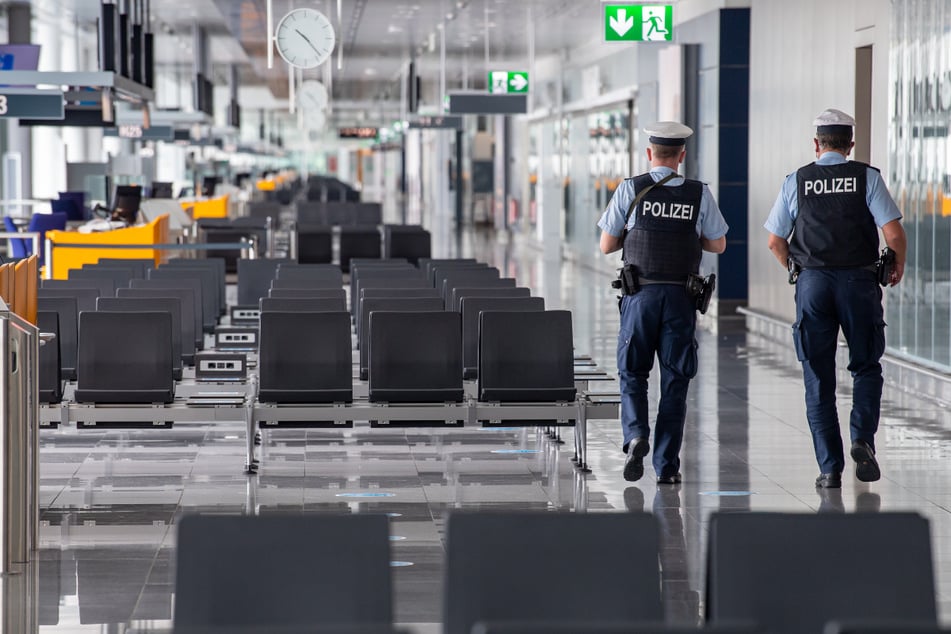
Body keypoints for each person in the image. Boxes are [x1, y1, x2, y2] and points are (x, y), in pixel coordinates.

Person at [764, 108, 906, 489]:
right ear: (850, 145)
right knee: (866, 365)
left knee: (818, 378)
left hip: (813, 285)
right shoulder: (867, 177)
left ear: (816, 145)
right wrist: (898, 265)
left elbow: (775, 241)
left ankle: (830, 470)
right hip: (859, 283)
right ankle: (862, 438)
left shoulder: (797, 180)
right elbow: (893, 234)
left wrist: (797, 270)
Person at [598, 121, 728, 484]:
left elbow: (607, 245)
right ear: (681, 156)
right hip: (681, 299)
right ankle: (666, 467)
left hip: (640, 296)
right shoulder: (699, 193)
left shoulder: (631, 188)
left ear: (649, 154)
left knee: (633, 372)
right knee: (675, 380)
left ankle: (636, 434)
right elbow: (718, 244)